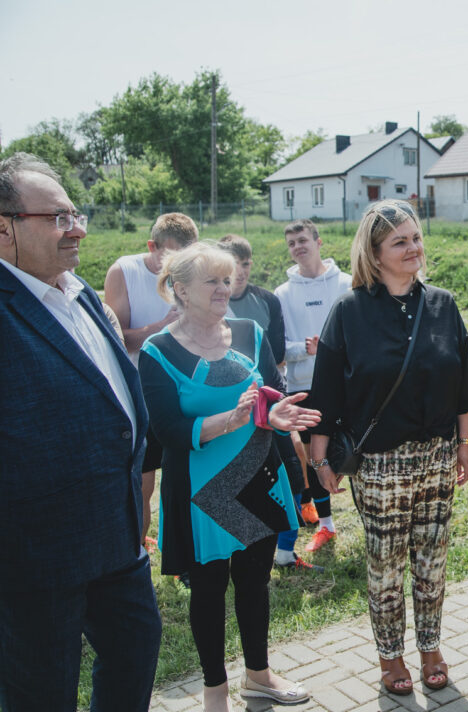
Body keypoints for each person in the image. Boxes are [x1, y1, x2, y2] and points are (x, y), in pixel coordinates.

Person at [0, 152, 162, 711]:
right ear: (4, 227)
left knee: (136, 654)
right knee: (43, 692)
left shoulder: (81, 293)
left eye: (76, 212)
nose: (78, 228)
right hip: (34, 560)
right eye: (58, 217)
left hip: (117, 542)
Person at [140, 243, 321, 711]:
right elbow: (168, 432)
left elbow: (266, 396)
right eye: (213, 281)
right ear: (180, 290)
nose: (226, 288)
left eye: (227, 279)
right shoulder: (157, 352)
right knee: (208, 593)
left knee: (255, 584)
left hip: (257, 479)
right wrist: (233, 420)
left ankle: (258, 677)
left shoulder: (250, 331)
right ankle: (215, 692)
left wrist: (276, 415)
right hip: (202, 495)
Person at [308, 199, 468, 696]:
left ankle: (430, 647)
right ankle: (390, 657)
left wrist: (465, 445)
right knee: (385, 564)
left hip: (438, 455)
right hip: (380, 462)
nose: (413, 248)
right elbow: (326, 393)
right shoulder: (349, 311)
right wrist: (320, 459)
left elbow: (464, 382)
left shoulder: (443, 304)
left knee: (433, 559)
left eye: (416, 237)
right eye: (399, 241)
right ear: (375, 252)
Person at [218, 234, 321, 573]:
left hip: (271, 404)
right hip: (230, 413)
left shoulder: (266, 301)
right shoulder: (212, 304)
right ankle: (237, 555)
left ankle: (285, 553)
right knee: (240, 486)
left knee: (293, 473)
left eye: (246, 263)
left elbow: (275, 356)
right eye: (234, 264)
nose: (241, 271)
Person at [105, 212, 199, 547]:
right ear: (151, 246)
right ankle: (138, 553)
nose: (179, 265)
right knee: (143, 483)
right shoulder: (124, 271)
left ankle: (187, 557)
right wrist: (159, 330)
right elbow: (113, 339)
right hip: (137, 395)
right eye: (172, 256)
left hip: (184, 394)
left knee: (187, 481)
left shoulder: (195, 273)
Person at [274, 219, 351, 552]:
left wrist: (336, 350)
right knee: (312, 458)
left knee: (351, 451)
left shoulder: (346, 283)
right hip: (303, 386)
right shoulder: (283, 293)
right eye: (291, 243)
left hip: (346, 384)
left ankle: (368, 513)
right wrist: (303, 349)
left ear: (319, 242)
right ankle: (326, 524)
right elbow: (280, 349)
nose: (297, 247)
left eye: (303, 240)